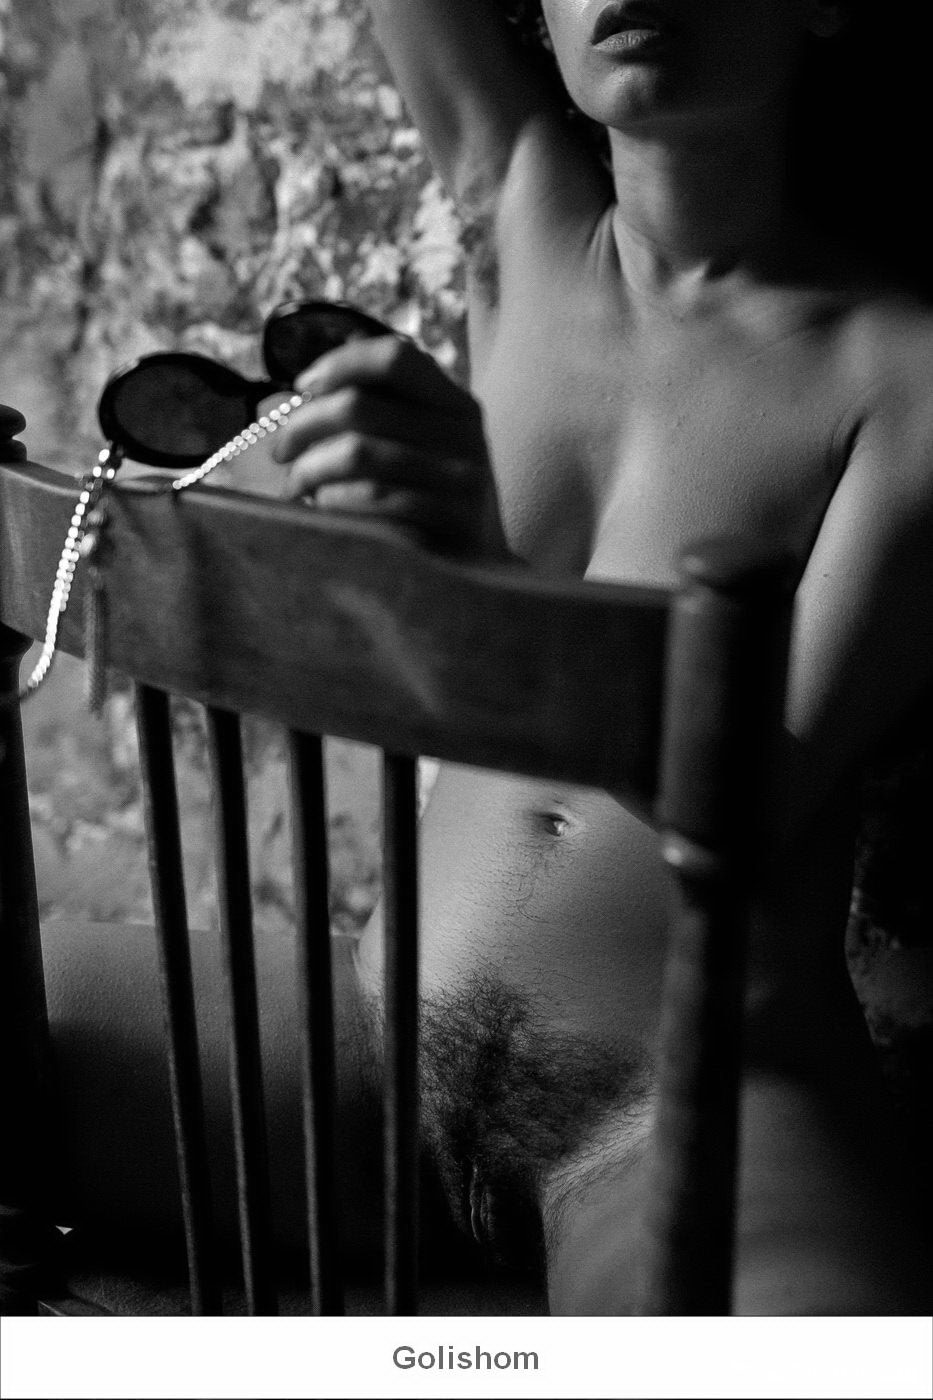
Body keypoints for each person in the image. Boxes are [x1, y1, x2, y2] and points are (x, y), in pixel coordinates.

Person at [3, 0, 932, 1313]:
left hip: (672, 1113)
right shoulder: (525, 216)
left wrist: (490, 582)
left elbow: (747, 799)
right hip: (375, 1052)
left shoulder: (906, 380)